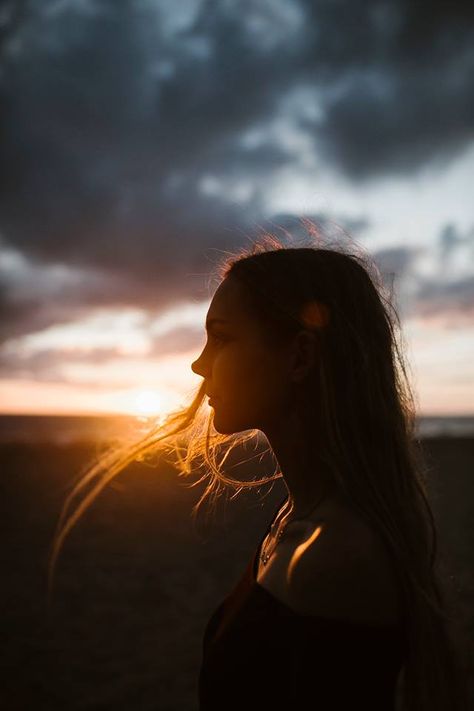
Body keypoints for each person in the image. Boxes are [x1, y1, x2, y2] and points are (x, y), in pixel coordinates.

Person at [48, 232, 468, 711]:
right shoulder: (298, 517)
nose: (198, 362)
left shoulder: (337, 556)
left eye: (222, 338)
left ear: (300, 356)